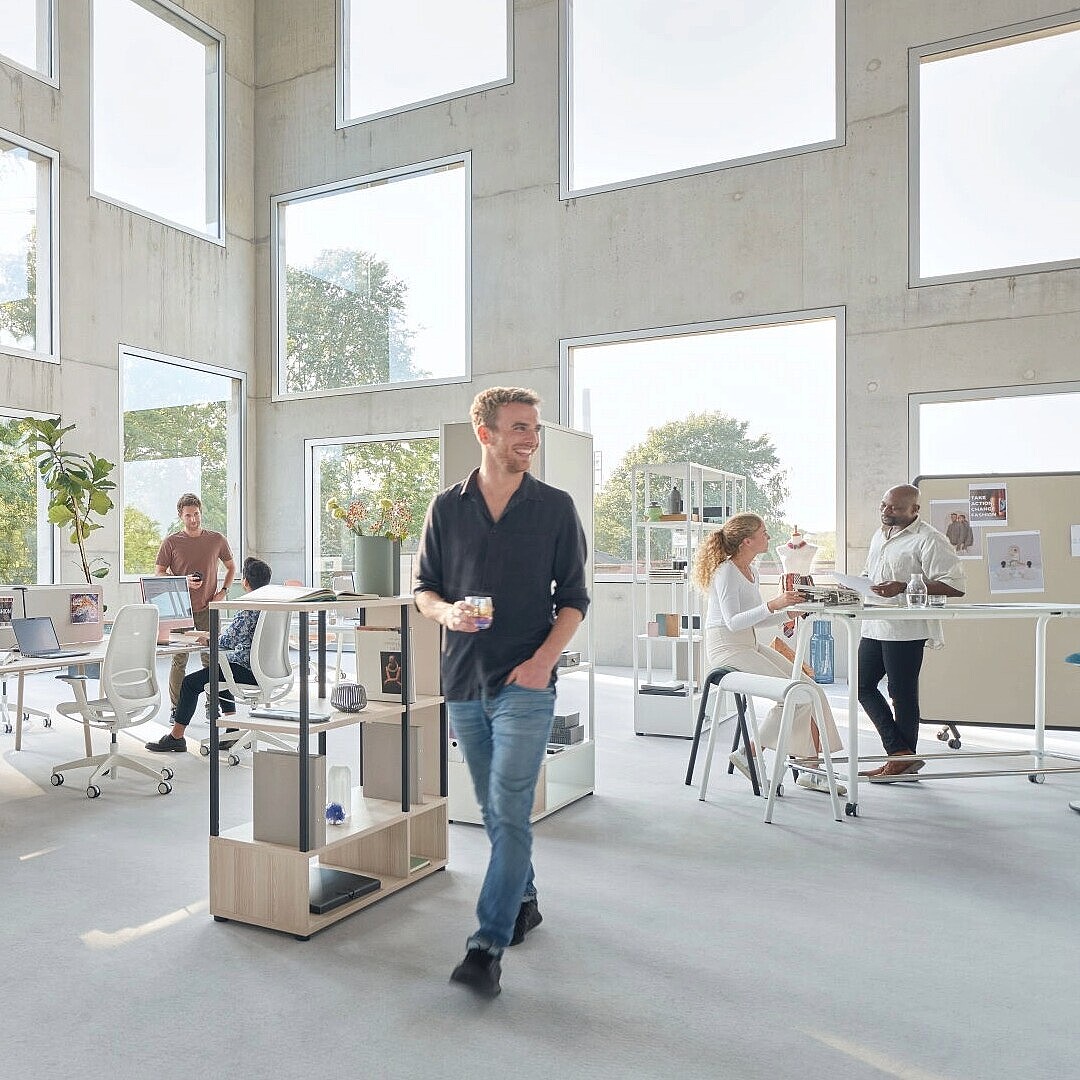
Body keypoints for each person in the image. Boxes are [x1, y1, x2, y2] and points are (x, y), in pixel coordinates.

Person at [414, 386, 589, 998]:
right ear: (485, 434)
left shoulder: (555, 508)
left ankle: (485, 946)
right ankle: (526, 896)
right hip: (462, 677)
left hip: (526, 680)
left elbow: (574, 599)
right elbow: (424, 589)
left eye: (534, 429)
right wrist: (445, 615)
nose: (530, 439)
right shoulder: (447, 507)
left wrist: (544, 661)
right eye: (518, 428)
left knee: (511, 806)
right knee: (494, 809)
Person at [693, 512, 844, 796]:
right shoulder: (726, 571)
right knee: (795, 694)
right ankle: (755, 754)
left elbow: (757, 619)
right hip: (726, 647)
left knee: (812, 690)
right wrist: (775, 604)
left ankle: (810, 768)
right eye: (764, 533)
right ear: (747, 540)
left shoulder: (752, 570)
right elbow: (733, 621)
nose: (769, 537)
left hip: (748, 643)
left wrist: (788, 612)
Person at [859, 485, 965, 780]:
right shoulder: (879, 535)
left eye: (894, 507)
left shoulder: (930, 539)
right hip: (875, 621)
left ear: (914, 510)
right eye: (883, 505)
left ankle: (901, 760)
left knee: (901, 694)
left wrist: (904, 586)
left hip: (906, 628)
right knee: (861, 685)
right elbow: (870, 574)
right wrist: (856, 585)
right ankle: (901, 754)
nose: (886, 511)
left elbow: (954, 585)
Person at [146, 557, 271, 752]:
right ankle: (232, 727)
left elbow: (226, 642)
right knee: (220, 671)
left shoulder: (248, 606)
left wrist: (206, 638)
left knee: (190, 683)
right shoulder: (271, 604)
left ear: (245, 582)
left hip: (247, 671)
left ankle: (176, 737)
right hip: (267, 670)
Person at [155, 493, 236, 713]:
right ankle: (176, 708)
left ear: (201, 512)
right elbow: (159, 573)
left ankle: (213, 705)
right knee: (179, 660)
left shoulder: (216, 539)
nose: (194, 519)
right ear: (181, 516)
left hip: (208, 608)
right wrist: (183, 581)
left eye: (197, 514)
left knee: (211, 659)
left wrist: (224, 591)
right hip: (180, 610)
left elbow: (231, 567)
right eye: (188, 515)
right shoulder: (171, 542)